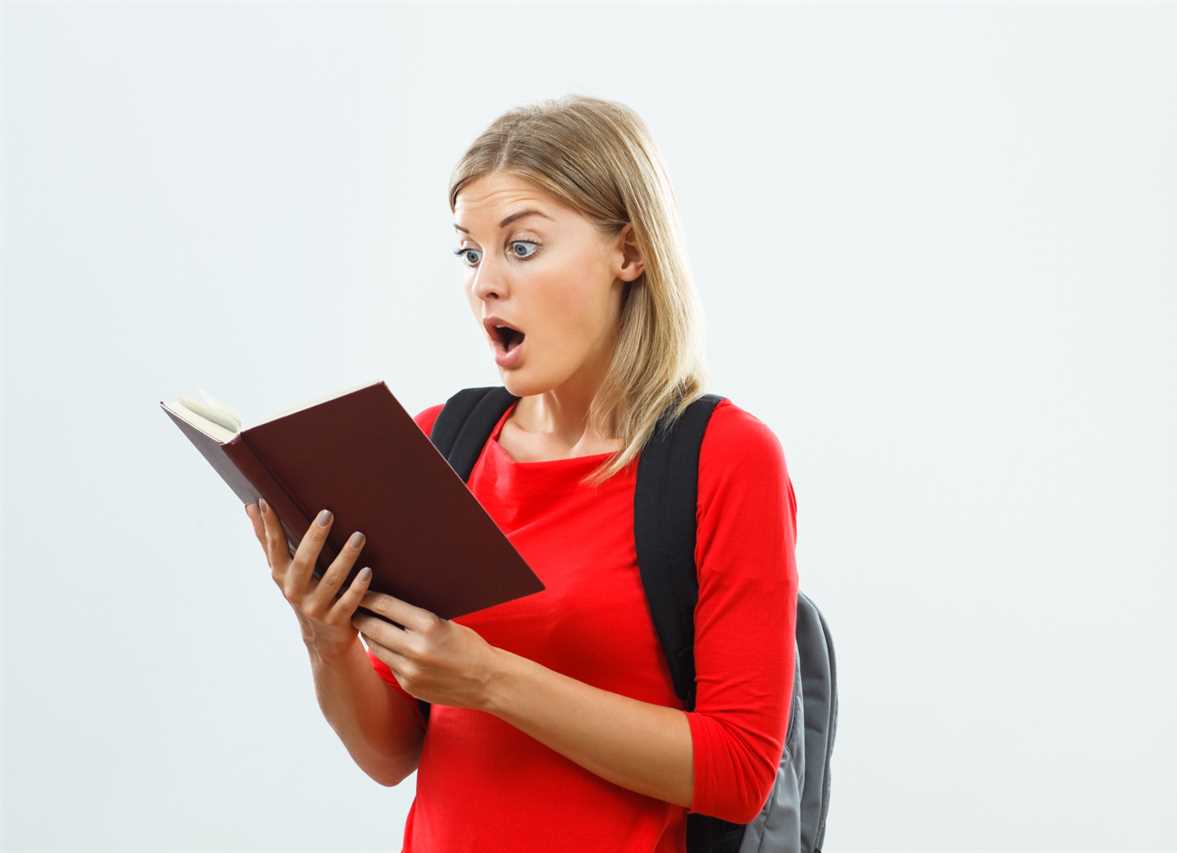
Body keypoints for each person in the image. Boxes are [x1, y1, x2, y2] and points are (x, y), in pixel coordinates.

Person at [244, 94, 799, 852]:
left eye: (523, 247)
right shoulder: (444, 441)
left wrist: (491, 680)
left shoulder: (725, 458)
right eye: (471, 253)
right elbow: (393, 752)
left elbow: (740, 770)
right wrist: (325, 636)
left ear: (629, 253)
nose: (484, 283)